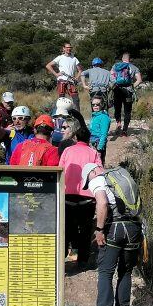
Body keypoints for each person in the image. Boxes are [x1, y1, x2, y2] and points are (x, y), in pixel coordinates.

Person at [81, 163, 142, 306]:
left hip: (114, 228)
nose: (89, 184)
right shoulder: (121, 176)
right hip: (134, 227)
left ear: (93, 171)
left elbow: (102, 203)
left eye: (88, 179)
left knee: (106, 273)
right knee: (126, 271)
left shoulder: (98, 180)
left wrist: (99, 230)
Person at [58, 116, 102, 272]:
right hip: (87, 199)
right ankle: (82, 261)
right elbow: (99, 173)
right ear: (89, 138)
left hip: (67, 196)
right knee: (85, 230)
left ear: (75, 137)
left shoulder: (68, 150)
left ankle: (61, 261)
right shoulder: (93, 152)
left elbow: (60, 170)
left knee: (66, 229)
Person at [110, 52, 142, 137]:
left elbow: (111, 77)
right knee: (127, 111)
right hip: (128, 91)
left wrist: (114, 85)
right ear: (129, 59)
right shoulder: (134, 67)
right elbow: (139, 80)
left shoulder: (116, 66)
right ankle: (125, 130)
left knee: (117, 108)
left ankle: (118, 123)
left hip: (117, 90)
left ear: (122, 59)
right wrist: (132, 86)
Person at [46, 43, 83, 109]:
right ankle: (61, 115)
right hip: (62, 80)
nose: (69, 49)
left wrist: (77, 77)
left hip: (71, 81)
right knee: (61, 100)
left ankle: (78, 116)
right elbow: (48, 65)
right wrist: (56, 74)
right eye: (67, 47)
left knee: (76, 99)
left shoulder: (74, 58)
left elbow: (80, 69)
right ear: (64, 48)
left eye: (70, 47)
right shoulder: (60, 57)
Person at [89, 96, 110, 165]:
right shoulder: (94, 116)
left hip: (97, 144)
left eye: (97, 104)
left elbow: (104, 134)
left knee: (98, 166)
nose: (95, 106)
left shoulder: (104, 117)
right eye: (93, 104)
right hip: (92, 143)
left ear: (102, 105)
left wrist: (99, 148)